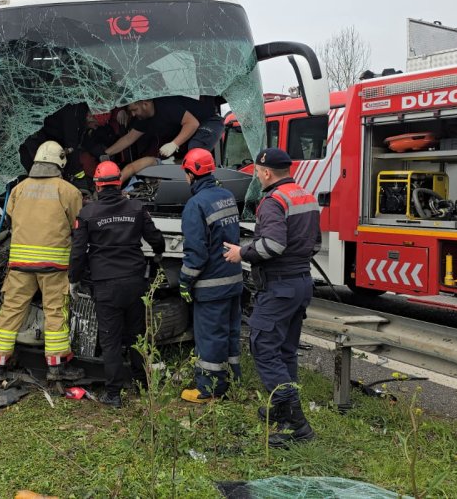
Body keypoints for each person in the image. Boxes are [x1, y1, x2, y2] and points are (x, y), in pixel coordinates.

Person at [223, 147, 320, 447]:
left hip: (279, 285)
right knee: (285, 350)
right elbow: (314, 244)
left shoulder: (272, 201)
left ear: (265, 172)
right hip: (301, 281)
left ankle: (296, 423)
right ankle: (281, 408)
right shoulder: (306, 195)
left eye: (257, 171)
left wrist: (243, 252)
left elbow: (273, 245)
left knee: (264, 346)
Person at [69, 161, 165, 407]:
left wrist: (73, 279)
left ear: (98, 186)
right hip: (134, 281)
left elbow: (78, 252)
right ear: (119, 182)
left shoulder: (88, 213)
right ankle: (143, 383)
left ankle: (113, 394)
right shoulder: (136, 207)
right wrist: (157, 257)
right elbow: (156, 239)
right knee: (136, 335)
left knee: (110, 340)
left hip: (105, 284)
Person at [0, 141, 84, 382]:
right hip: (54, 267)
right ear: (60, 162)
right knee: (55, 313)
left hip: (20, 265)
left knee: (10, 311)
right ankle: (56, 367)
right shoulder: (69, 191)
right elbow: (78, 225)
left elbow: (10, 221)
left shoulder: (19, 189)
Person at [176, 149, 244, 403]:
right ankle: (232, 383)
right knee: (229, 334)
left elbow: (196, 252)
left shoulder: (196, 205)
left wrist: (184, 281)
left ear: (192, 173)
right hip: (232, 280)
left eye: (185, 173)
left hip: (211, 285)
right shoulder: (226, 196)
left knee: (210, 338)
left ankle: (209, 390)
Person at [102, 96, 223, 182]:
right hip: (191, 129)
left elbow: (192, 124)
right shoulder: (144, 118)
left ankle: (202, 183)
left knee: (194, 151)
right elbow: (128, 139)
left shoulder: (166, 105)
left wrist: (174, 144)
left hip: (209, 122)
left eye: (135, 110)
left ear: (145, 103)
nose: (133, 115)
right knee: (175, 157)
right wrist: (106, 153)